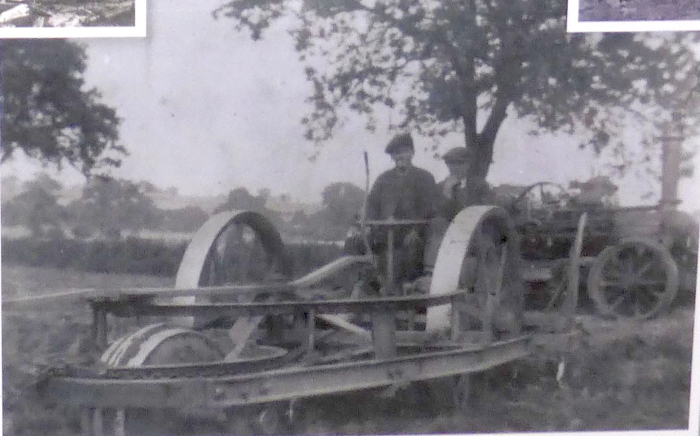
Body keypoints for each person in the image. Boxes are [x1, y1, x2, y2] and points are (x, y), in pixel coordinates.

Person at [365, 132, 439, 291]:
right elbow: (371, 204)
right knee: (357, 243)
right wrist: (368, 224)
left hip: (414, 232)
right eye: (396, 153)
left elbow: (428, 208)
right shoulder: (383, 179)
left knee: (411, 247)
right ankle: (366, 287)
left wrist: (416, 230)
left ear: (412, 153)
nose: (400, 156)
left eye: (404, 152)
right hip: (386, 234)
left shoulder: (425, 177)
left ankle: (409, 289)